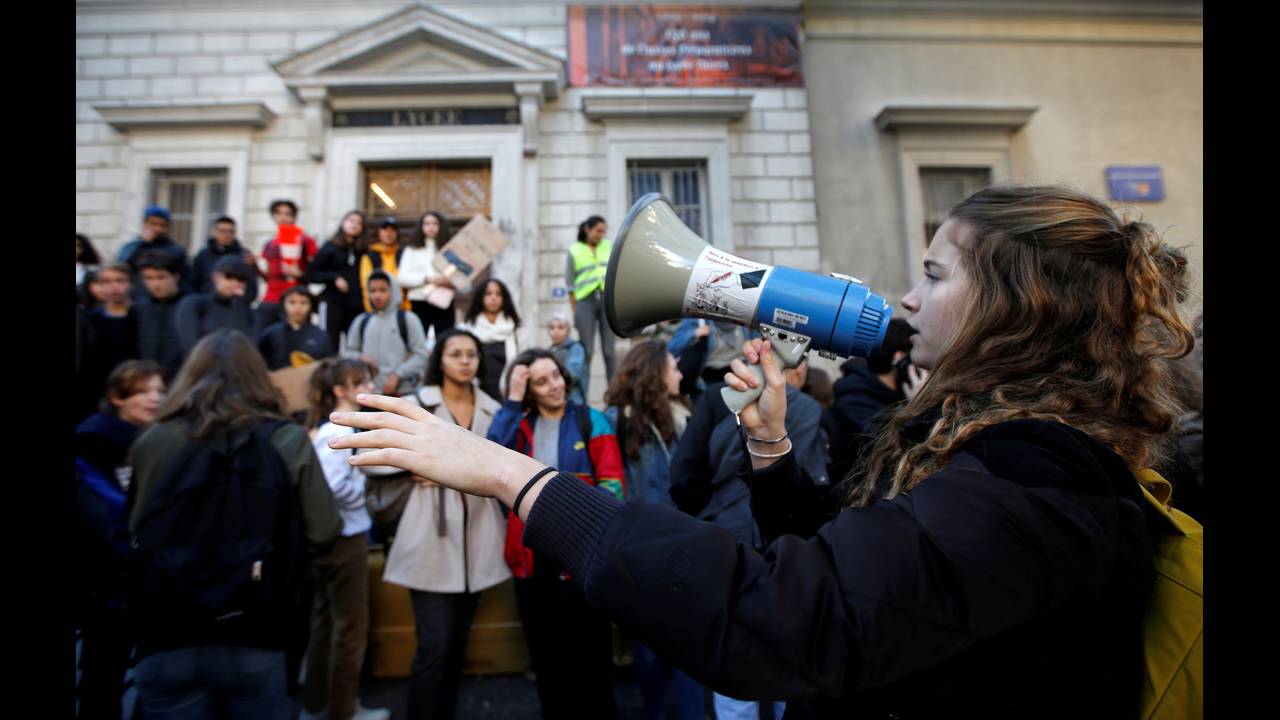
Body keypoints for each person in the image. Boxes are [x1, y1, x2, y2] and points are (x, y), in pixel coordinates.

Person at [328, 184, 1195, 717]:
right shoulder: (1007, 454)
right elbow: (850, 565)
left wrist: (511, 475)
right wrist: (772, 448)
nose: (905, 294)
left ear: (1018, 307)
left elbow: (791, 614)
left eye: (933, 275)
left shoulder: (1035, 479)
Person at [126, 330, 342, 720]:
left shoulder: (154, 440)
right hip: (255, 625)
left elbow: (135, 529)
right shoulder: (286, 439)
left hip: (165, 629)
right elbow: (324, 529)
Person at [484, 349, 623, 719]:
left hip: (583, 555)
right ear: (529, 390)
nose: (554, 385)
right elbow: (491, 454)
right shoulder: (520, 423)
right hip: (533, 557)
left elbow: (613, 485)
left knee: (591, 657)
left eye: (556, 376)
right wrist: (512, 401)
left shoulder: (590, 420)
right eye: (541, 381)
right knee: (547, 657)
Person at [388, 329, 509, 720]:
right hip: (429, 535)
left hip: (479, 533)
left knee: (457, 642)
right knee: (435, 645)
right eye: (455, 353)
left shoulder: (493, 408)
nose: (465, 360)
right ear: (439, 359)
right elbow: (378, 452)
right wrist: (411, 467)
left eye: (471, 353)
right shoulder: (415, 404)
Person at [601, 342, 704, 720]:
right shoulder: (618, 418)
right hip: (640, 547)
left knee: (688, 643)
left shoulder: (686, 416)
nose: (680, 374)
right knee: (648, 647)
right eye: (673, 368)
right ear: (654, 372)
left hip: (685, 541)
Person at [301, 358, 391, 720]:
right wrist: (364, 487)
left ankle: (317, 704)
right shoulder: (336, 431)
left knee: (325, 625)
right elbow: (336, 486)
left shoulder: (332, 429)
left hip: (335, 538)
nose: (368, 388)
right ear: (339, 391)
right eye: (359, 383)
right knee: (350, 628)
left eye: (369, 380)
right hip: (345, 537)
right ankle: (343, 710)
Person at [76, 360, 165, 720]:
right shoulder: (93, 441)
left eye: (159, 390)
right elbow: (106, 511)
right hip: (109, 581)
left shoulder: (157, 437)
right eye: (144, 392)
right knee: (104, 671)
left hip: (145, 576)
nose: (154, 399)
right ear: (116, 398)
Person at [824, 317, 914, 484]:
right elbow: (892, 454)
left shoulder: (898, 395)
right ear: (900, 358)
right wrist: (918, 406)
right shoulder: (854, 402)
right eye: (915, 354)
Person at [342, 271, 429, 396]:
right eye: (373, 291)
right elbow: (348, 353)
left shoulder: (407, 319)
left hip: (402, 393)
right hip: (369, 393)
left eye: (383, 290)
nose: (377, 295)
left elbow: (421, 356)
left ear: (393, 291)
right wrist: (360, 358)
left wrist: (398, 374)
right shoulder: (362, 321)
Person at [80, 262, 140, 426]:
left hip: (133, 388)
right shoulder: (89, 319)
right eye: (105, 282)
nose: (113, 287)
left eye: (119, 281)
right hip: (95, 392)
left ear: (131, 283)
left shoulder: (141, 316)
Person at [304, 210, 368, 352]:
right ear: (343, 223)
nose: (355, 225)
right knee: (329, 342)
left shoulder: (364, 251)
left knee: (355, 344)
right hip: (333, 303)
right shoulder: (330, 247)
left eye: (359, 223)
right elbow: (311, 274)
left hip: (356, 305)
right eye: (351, 221)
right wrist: (333, 278)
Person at [566, 215, 618, 383]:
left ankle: (615, 403)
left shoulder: (609, 246)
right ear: (587, 229)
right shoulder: (574, 250)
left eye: (603, 232)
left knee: (610, 351)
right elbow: (570, 286)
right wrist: (575, 312)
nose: (600, 235)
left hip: (607, 301)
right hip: (585, 302)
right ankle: (582, 400)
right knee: (586, 351)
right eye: (597, 231)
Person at [174, 255, 258, 355]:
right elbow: (188, 342)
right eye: (229, 276)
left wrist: (238, 304)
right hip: (200, 365)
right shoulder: (195, 304)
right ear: (216, 277)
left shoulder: (249, 314)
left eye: (241, 279)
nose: (235, 283)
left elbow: (249, 346)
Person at [399, 211, 461, 343]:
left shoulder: (450, 250)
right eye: (426, 224)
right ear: (421, 227)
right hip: (419, 301)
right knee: (417, 340)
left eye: (435, 223)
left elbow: (463, 280)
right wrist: (427, 279)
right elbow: (402, 278)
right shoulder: (412, 250)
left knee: (445, 340)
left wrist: (450, 282)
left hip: (444, 301)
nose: (431, 227)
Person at [258, 199, 319, 330]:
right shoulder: (269, 243)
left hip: (294, 295)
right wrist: (254, 266)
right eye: (279, 213)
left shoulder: (305, 240)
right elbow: (266, 275)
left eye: (287, 214)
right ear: (274, 216)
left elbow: (316, 268)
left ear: (294, 217)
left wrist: (301, 274)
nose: (283, 217)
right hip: (271, 296)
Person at [459, 278, 521, 401]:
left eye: (498, 294)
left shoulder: (515, 329)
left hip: (507, 395)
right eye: (488, 293)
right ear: (480, 297)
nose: (493, 298)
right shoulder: (466, 330)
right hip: (472, 395)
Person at [134, 249, 188, 380]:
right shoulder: (138, 308)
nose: (155, 284)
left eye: (161, 277)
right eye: (149, 278)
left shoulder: (190, 306)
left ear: (175, 276)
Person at [117, 204, 193, 296]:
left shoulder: (176, 250)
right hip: (136, 297)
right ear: (145, 223)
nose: (158, 229)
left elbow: (185, 279)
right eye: (153, 224)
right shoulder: (131, 247)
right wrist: (143, 244)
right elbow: (121, 268)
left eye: (162, 225)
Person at [258, 286, 335, 371]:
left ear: (311, 306)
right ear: (283, 305)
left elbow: (328, 366)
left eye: (303, 303)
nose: (298, 307)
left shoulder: (321, 336)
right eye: (292, 302)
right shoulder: (271, 334)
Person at [192, 215, 258, 296]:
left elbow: (252, 285)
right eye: (222, 231)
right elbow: (194, 282)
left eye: (231, 231)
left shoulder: (244, 255)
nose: (226, 235)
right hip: (206, 302)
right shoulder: (203, 255)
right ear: (214, 232)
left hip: (235, 303)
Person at [358, 217, 409, 313]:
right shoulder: (370, 256)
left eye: (392, 230)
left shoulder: (404, 254)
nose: (389, 233)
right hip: (378, 310)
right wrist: (370, 309)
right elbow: (366, 285)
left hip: (402, 310)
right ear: (378, 232)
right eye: (385, 229)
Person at [546, 312, 588, 406]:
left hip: (573, 401)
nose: (555, 331)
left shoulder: (575, 348)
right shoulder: (549, 351)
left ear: (568, 330)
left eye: (560, 327)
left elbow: (573, 373)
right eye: (552, 328)